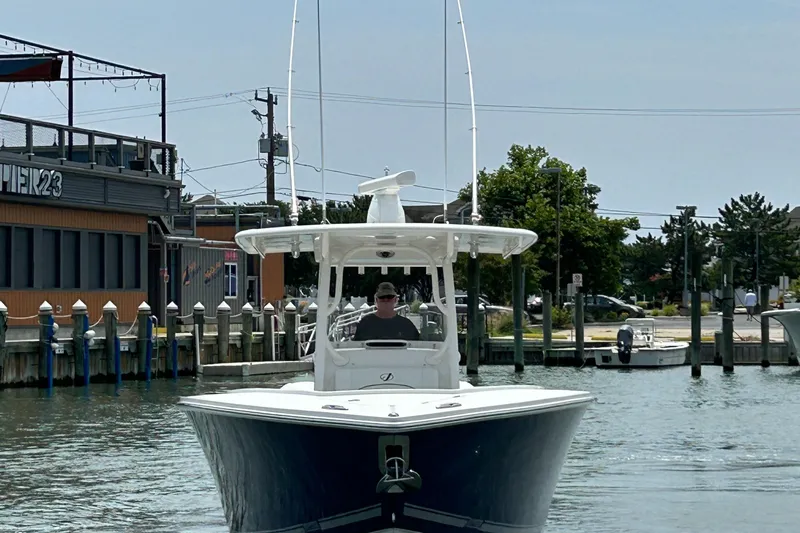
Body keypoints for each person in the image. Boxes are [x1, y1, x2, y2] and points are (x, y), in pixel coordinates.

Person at [352, 282, 420, 341]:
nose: (386, 299)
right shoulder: (365, 323)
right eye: (382, 297)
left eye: (389, 296)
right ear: (376, 300)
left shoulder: (407, 325)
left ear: (395, 300)